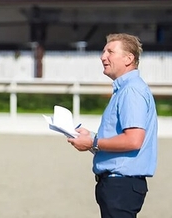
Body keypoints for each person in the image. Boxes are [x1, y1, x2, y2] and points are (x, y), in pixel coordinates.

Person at [68, 33, 158, 218]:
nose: (103, 57)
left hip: (121, 186)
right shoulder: (125, 89)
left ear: (128, 58)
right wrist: (90, 136)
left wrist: (93, 142)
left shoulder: (131, 90)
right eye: (103, 52)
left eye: (110, 51)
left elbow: (133, 140)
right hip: (118, 186)